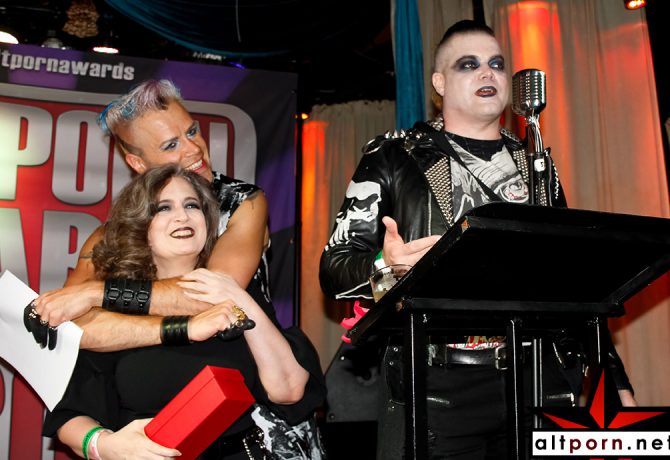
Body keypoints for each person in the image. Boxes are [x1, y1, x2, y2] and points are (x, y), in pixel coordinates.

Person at [319, 20, 635, 459]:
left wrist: (612, 380)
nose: (488, 73)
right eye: (468, 65)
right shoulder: (394, 155)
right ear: (439, 83)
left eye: (497, 64)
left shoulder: (535, 164)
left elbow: (574, 282)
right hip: (437, 386)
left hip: (536, 378)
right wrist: (384, 267)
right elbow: (334, 266)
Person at [29, 80, 326, 458]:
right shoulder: (107, 239)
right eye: (171, 145)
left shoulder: (243, 203)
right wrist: (102, 444)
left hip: (263, 426)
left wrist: (96, 294)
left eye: (192, 131)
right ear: (137, 163)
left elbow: (210, 296)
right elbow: (75, 329)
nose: (194, 149)